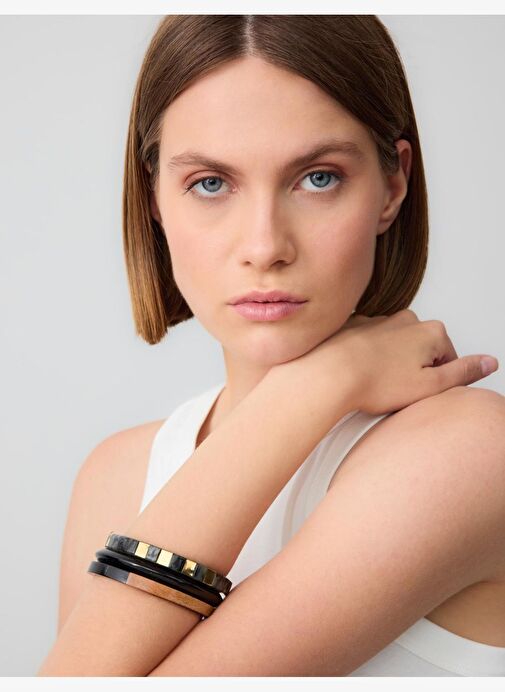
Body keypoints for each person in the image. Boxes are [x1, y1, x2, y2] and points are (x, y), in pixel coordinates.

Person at [39, 15, 505, 676]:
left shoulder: (468, 451)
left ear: (392, 186)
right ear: (154, 197)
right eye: (210, 183)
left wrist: (315, 387)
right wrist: (323, 381)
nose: (264, 246)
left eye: (317, 178)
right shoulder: (115, 473)